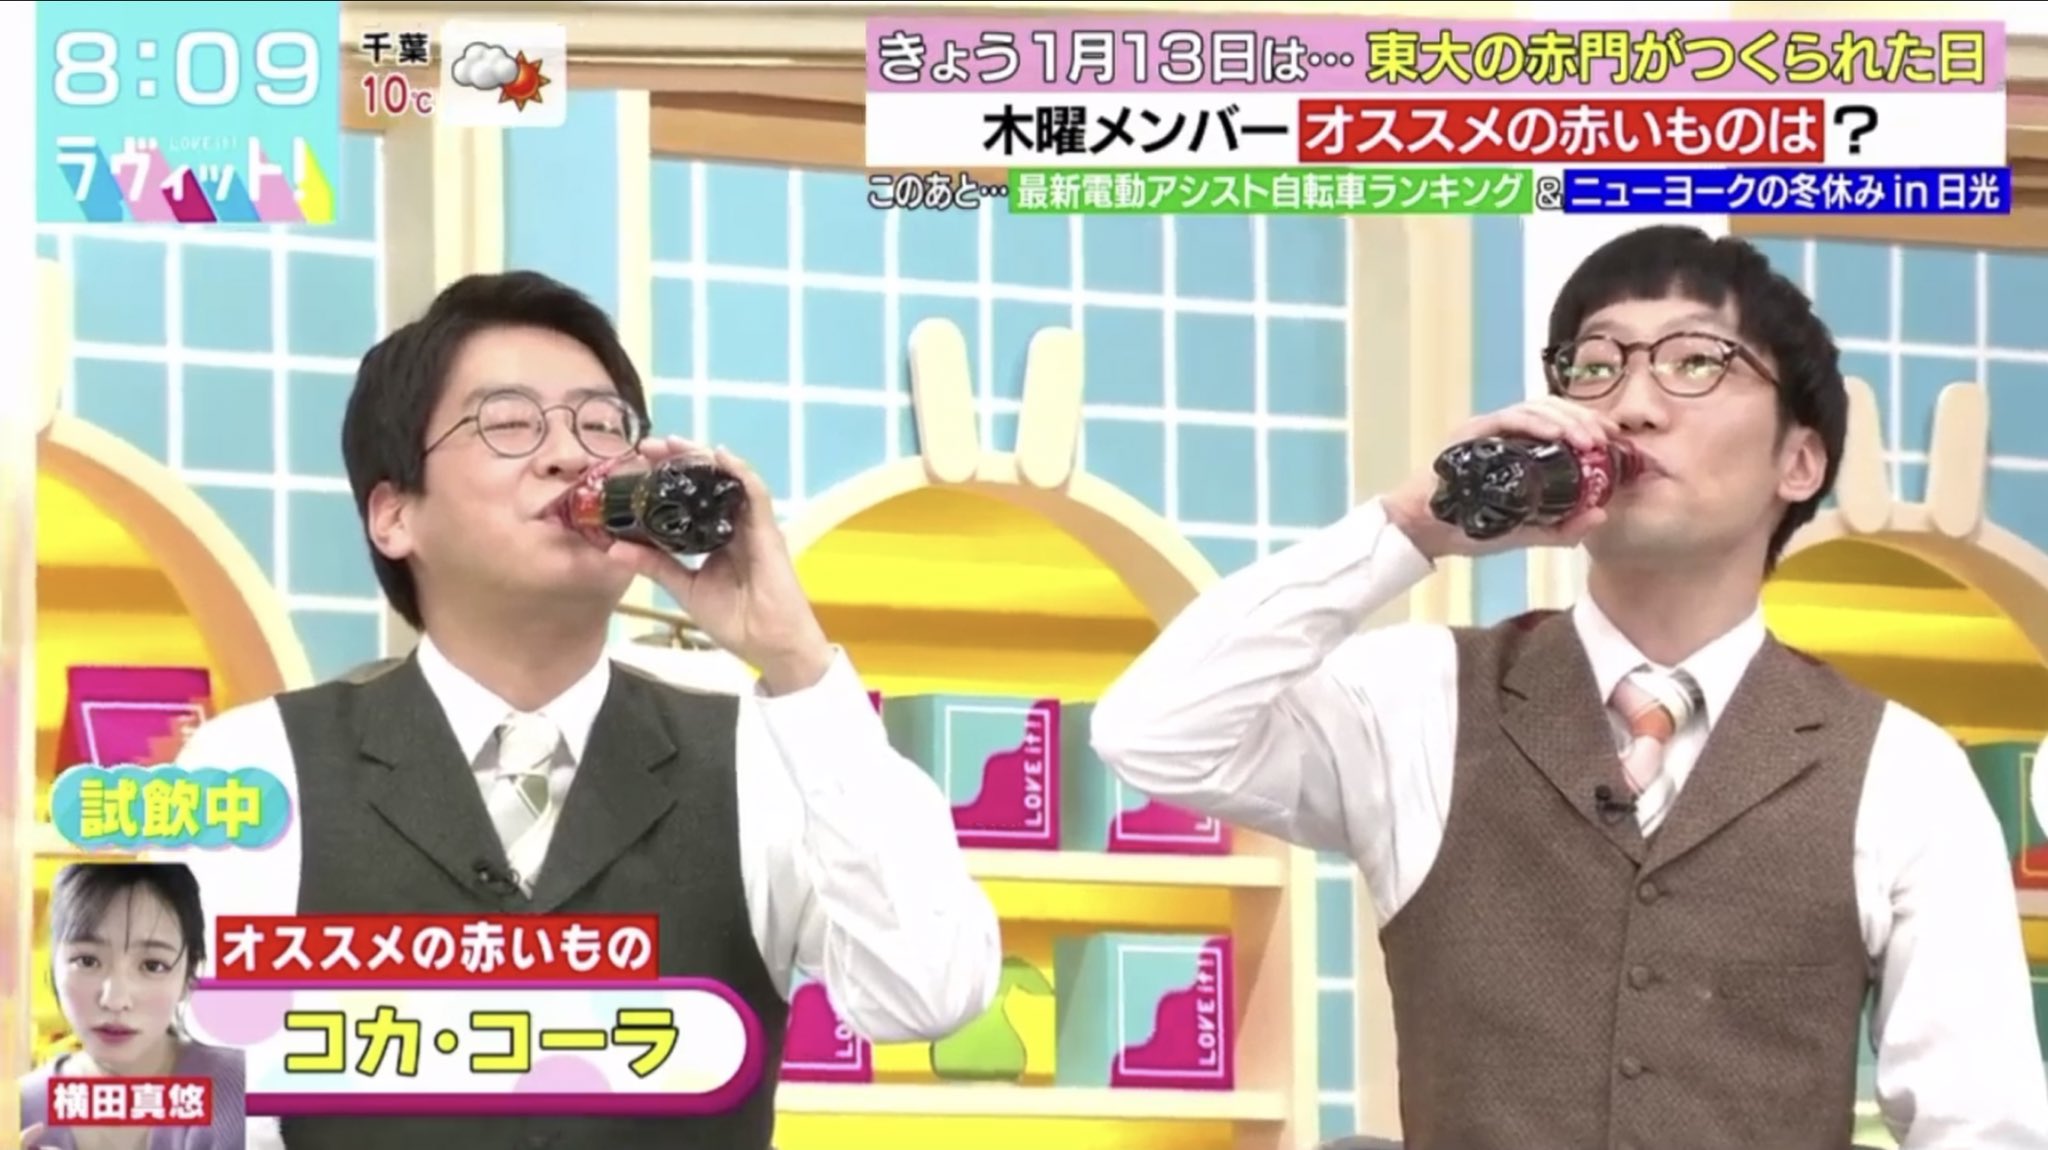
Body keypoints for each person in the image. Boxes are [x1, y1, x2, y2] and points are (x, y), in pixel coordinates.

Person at [1091, 226, 2048, 1150]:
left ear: (1799, 461)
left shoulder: (1900, 769)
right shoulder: (1425, 698)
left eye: (1695, 362)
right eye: (1595, 367)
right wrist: (1410, 527)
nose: (1632, 405)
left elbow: (1982, 1126)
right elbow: (1154, 733)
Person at [175, 271, 1001, 1150]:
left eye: (601, 425)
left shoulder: (759, 754)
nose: (569, 455)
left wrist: (796, 658)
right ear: (394, 516)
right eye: (508, 422)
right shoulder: (258, 768)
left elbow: (929, 992)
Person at [18, 863, 247, 1150]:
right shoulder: (18, 1108)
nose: (115, 1000)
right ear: (53, 966)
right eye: (87, 961)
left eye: (152, 965)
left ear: (189, 976)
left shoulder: (242, 1091)